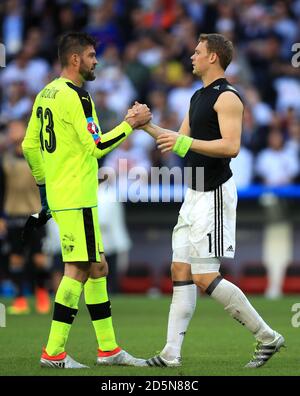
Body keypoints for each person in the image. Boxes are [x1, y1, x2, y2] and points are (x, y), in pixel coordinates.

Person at [139, 33, 285, 369]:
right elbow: (177, 142)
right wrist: (145, 125)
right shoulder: (197, 96)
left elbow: (231, 147)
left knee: (204, 276)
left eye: (198, 51)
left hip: (214, 194)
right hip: (193, 194)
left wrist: (183, 140)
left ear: (214, 57)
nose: (191, 56)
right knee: (180, 270)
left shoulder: (229, 97)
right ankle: (170, 355)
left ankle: (268, 338)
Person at [22, 32, 151, 369]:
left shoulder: (45, 93)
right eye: (92, 55)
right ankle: (53, 353)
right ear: (76, 59)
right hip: (78, 196)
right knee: (78, 269)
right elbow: (96, 147)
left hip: (64, 195)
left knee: (98, 267)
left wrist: (44, 188)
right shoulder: (77, 96)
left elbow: (29, 145)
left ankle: (108, 350)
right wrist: (130, 125)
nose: (96, 61)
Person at [0, 120, 50, 315]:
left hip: (35, 213)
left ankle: (42, 296)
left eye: (17, 127)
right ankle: (20, 299)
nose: (14, 131)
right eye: (12, 129)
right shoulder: (4, 159)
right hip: (13, 214)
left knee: (39, 258)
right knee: (16, 258)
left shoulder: (38, 155)